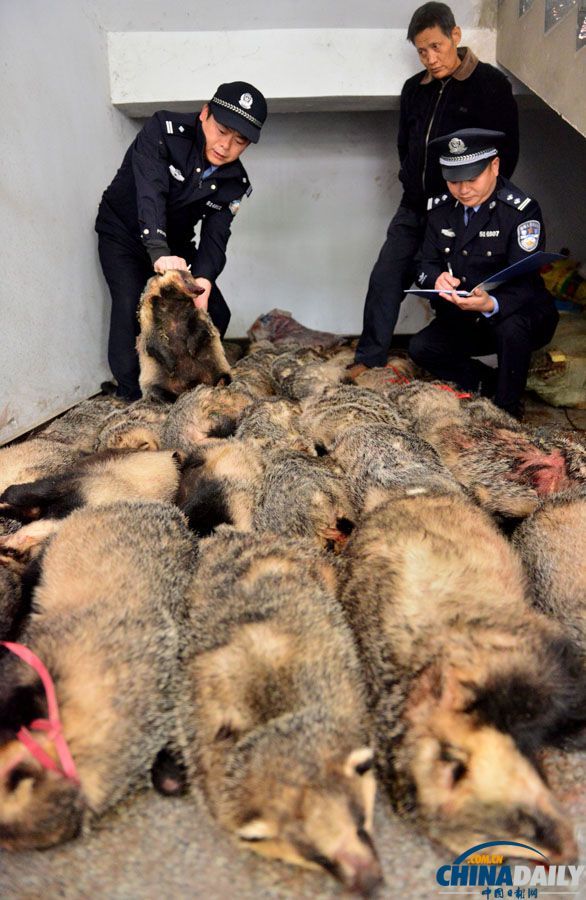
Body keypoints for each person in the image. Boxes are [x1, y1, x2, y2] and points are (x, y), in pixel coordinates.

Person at [348, 1, 519, 378]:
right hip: (415, 205)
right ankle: (368, 358)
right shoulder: (414, 90)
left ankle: (493, 369)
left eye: (436, 46)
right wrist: (411, 178)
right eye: (421, 51)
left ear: (455, 36)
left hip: (464, 209)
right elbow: (404, 145)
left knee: (463, 287)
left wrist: (480, 202)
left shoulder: (490, 85)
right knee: (387, 274)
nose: (430, 57)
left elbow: (506, 153)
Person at [96, 81, 267, 400]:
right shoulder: (163, 130)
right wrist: (158, 251)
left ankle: (183, 382)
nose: (225, 145)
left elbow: (216, 237)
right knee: (131, 301)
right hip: (125, 232)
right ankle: (131, 396)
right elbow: (151, 192)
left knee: (216, 311)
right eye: (222, 130)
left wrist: (204, 280)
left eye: (239, 140)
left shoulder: (235, 182)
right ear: (205, 113)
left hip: (175, 245)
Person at [408, 128, 559, 419]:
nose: (462, 190)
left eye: (472, 179)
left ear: (495, 166)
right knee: (421, 347)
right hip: (465, 315)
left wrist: (491, 303)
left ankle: (507, 410)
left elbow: (525, 281)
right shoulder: (439, 210)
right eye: (453, 180)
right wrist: (436, 279)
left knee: (510, 328)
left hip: (518, 314)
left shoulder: (519, 211)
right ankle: (491, 386)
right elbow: (423, 264)